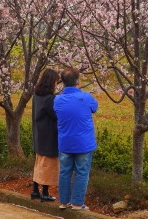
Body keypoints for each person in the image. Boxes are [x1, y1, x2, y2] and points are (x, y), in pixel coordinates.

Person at [53, 67, 98, 211]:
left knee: (65, 172)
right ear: (78, 81)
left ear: (63, 82)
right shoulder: (86, 97)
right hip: (83, 143)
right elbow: (94, 107)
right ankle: (78, 204)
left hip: (65, 143)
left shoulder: (58, 100)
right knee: (82, 173)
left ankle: (64, 202)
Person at [30, 68, 60, 202]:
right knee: (48, 165)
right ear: (51, 82)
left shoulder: (36, 95)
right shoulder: (50, 99)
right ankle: (45, 193)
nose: (56, 84)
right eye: (55, 81)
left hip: (38, 134)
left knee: (39, 163)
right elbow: (55, 116)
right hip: (49, 135)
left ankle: (35, 190)